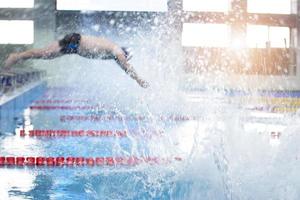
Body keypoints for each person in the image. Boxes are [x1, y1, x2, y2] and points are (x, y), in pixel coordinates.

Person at [3, 33, 149, 88]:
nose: (124, 60)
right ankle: (15, 57)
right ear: (125, 53)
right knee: (44, 54)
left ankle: (17, 57)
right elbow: (127, 67)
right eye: (126, 57)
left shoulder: (114, 52)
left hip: (75, 45)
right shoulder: (117, 51)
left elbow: (124, 66)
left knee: (44, 55)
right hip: (74, 42)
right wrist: (139, 80)